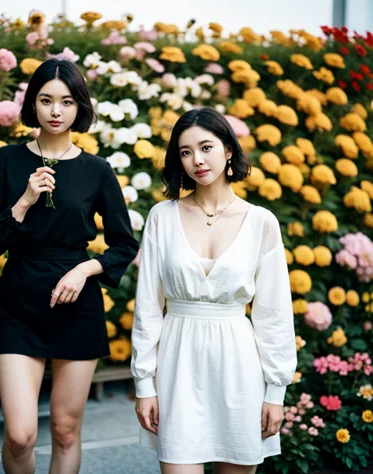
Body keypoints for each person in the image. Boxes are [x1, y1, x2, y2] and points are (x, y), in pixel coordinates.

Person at [0, 59, 139, 474]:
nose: (55, 111)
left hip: (76, 303)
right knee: (20, 435)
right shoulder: (7, 160)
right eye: (46, 100)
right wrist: (25, 200)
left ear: (78, 107)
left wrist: (85, 270)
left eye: (66, 102)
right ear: (33, 104)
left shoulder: (97, 170)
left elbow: (124, 244)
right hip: (20, 303)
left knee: (66, 431)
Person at [131, 107, 297, 474]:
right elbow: (147, 307)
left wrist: (275, 393)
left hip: (239, 365)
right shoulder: (162, 216)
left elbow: (274, 314)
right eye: (185, 152)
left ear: (228, 150)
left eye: (206, 147)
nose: (197, 160)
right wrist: (144, 383)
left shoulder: (260, 222)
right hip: (176, 362)